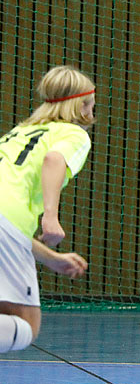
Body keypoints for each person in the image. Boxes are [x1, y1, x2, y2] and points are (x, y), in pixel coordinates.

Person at [0, 66, 95, 353]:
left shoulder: (19, 132)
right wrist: (50, 218)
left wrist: (51, 259)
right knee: (25, 324)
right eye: (92, 104)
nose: (93, 112)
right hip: (7, 220)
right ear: (81, 106)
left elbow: (9, 229)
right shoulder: (74, 134)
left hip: (7, 223)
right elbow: (54, 160)